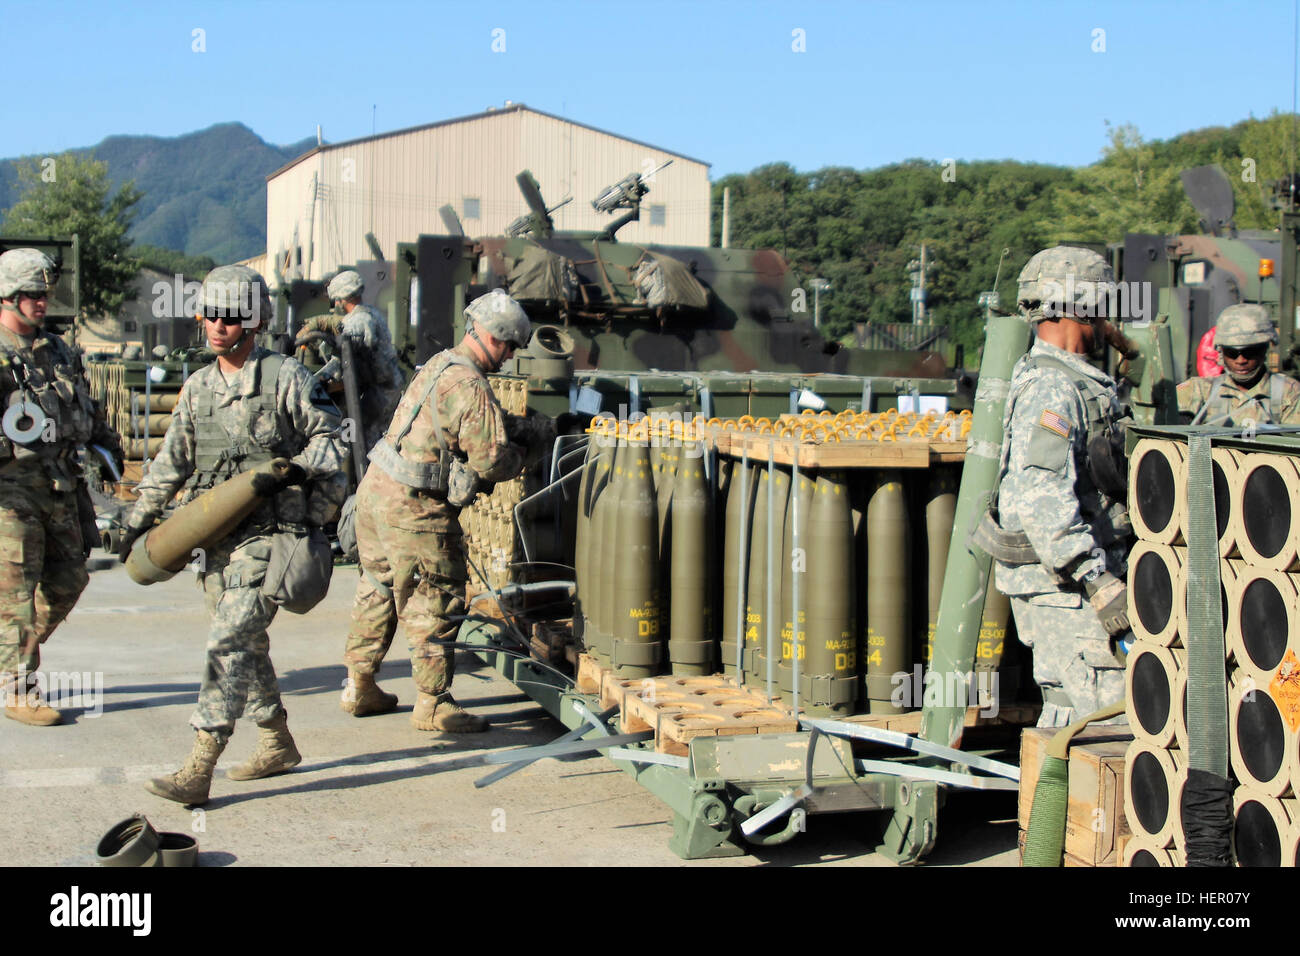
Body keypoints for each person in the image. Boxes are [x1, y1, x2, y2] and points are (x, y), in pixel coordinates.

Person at [121, 265, 347, 805]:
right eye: (210, 316)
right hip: (215, 541)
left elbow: (336, 443)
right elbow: (170, 462)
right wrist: (132, 523)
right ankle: (276, 741)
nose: (216, 327)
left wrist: (293, 476)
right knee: (247, 642)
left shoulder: (285, 377)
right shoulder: (199, 388)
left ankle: (199, 765)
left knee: (227, 641)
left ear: (252, 322)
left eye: (229, 318)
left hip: (272, 539)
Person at [340, 289, 553, 731]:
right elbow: (491, 460)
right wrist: (528, 456)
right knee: (433, 599)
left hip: (376, 495)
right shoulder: (472, 384)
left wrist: (534, 428)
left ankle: (359, 684)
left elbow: (478, 420)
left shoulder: (441, 365)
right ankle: (433, 703)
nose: (510, 356)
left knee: (377, 588)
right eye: (510, 345)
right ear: (495, 337)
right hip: (413, 510)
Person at [976, 246, 1132, 728]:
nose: (1107, 321)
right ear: (1081, 307)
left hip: (1072, 584)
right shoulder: (1053, 387)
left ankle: (1061, 804)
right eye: (1103, 306)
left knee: (1070, 717)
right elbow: (1041, 498)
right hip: (1068, 589)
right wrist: (1097, 581)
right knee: (1103, 720)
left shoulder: (1076, 380)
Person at [0, 248, 123, 726]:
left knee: (69, 579)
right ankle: (18, 690)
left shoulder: (59, 351)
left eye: (44, 293)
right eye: (31, 294)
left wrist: (110, 452)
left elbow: (88, 411)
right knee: (15, 593)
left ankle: (12, 656)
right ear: (8, 294)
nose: (40, 302)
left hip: (61, 488)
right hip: (10, 494)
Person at [295, 269, 403, 453]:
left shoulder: (359, 321)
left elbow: (346, 352)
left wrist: (320, 377)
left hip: (379, 391)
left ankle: (361, 478)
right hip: (387, 386)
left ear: (341, 299)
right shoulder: (370, 313)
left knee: (362, 440)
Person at [1177, 304, 1300, 426]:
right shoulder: (1198, 390)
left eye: (1249, 352)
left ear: (1264, 349)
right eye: (1232, 353)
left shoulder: (1289, 393)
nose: (1240, 360)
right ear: (1221, 352)